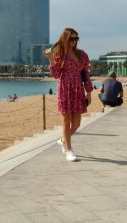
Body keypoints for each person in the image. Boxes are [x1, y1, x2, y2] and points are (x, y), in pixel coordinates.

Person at [44, 27, 93, 162]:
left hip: (78, 89)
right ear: (65, 39)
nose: (74, 41)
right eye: (71, 38)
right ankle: (69, 150)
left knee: (76, 123)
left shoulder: (82, 55)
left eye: (76, 38)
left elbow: (86, 74)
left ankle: (62, 140)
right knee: (66, 121)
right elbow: (56, 74)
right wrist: (51, 59)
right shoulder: (59, 54)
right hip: (64, 89)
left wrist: (88, 92)